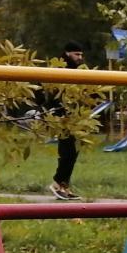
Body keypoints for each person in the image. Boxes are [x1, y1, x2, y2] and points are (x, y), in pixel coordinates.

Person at [37, 43, 86, 201]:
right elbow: (50, 93)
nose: (80, 58)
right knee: (68, 151)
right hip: (60, 116)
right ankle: (58, 184)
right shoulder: (60, 68)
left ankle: (63, 185)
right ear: (67, 53)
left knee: (72, 151)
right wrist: (48, 111)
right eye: (76, 54)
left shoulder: (77, 70)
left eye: (81, 55)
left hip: (71, 117)